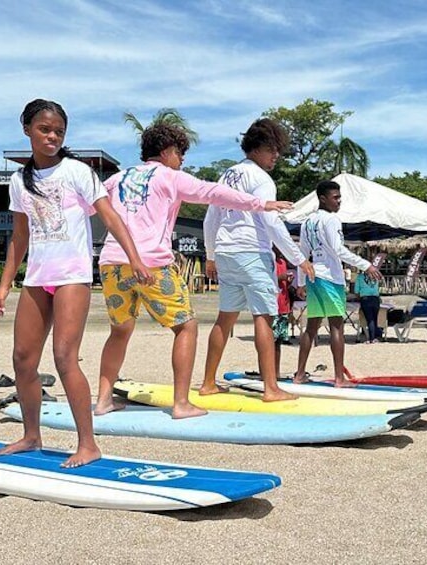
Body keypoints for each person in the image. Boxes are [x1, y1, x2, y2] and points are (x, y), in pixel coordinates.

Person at [0, 99, 152, 468]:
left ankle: (88, 444)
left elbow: (110, 218)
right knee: (22, 360)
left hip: (72, 277)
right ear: (27, 129)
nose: (51, 136)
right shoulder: (18, 180)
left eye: (58, 131)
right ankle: (32, 436)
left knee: (64, 356)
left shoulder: (78, 172)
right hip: (37, 278)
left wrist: (135, 258)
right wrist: (4, 286)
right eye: (44, 129)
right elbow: (19, 236)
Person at [94, 123, 295, 418]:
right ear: (166, 152)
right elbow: (213, 193)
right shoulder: (169, 176)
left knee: (120, 331)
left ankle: (102, 400)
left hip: (112, 263)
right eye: (180, 152)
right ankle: (181, 403)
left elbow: (88, 206)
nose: (182, 159)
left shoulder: (117, 178)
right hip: (151, 263)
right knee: (185, 327)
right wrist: (260, 204)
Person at [201, 118, 315, 401]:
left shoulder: (226, 175)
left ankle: (207, 382)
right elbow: (271, 222)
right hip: (252, 251)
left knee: (224, 318)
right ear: (256, 147)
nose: (276, 155)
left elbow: (210, 218)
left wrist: (210, 255)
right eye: (272, 148)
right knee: (263, 317)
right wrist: (299, 259)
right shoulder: (262, 179)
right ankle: (271, 388)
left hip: (226, 252)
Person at [292, 180, 383, 386]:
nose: (339, 201)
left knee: (312, 326)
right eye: (335, 197)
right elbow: (338, 250)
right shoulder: (332, 220)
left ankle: (299, 374)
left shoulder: (307, 222)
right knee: (336, 326)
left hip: (313, 276)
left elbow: (302, 255)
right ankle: (339, 378)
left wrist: (300, 282)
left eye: (339, 197)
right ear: (323, 199)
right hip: (331, 278)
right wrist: (366, 265)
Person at [272, 247, 294, 378]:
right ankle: (268, 373)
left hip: (283, 306)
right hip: (272, 306)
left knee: (279, 342)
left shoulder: (282, 262)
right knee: (270, 340)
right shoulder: (268, 259)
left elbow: (284, 285)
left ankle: (276, 372)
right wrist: (280, 277)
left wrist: (288, 281)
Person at [354, 265, 382, 343]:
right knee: (375, 318)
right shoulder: (376, 276)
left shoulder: (360, 277)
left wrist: (358, 297)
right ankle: (377, 336)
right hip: (375, 298)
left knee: (369, 319)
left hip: (365, 298)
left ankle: (371, 338)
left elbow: (356, 291)